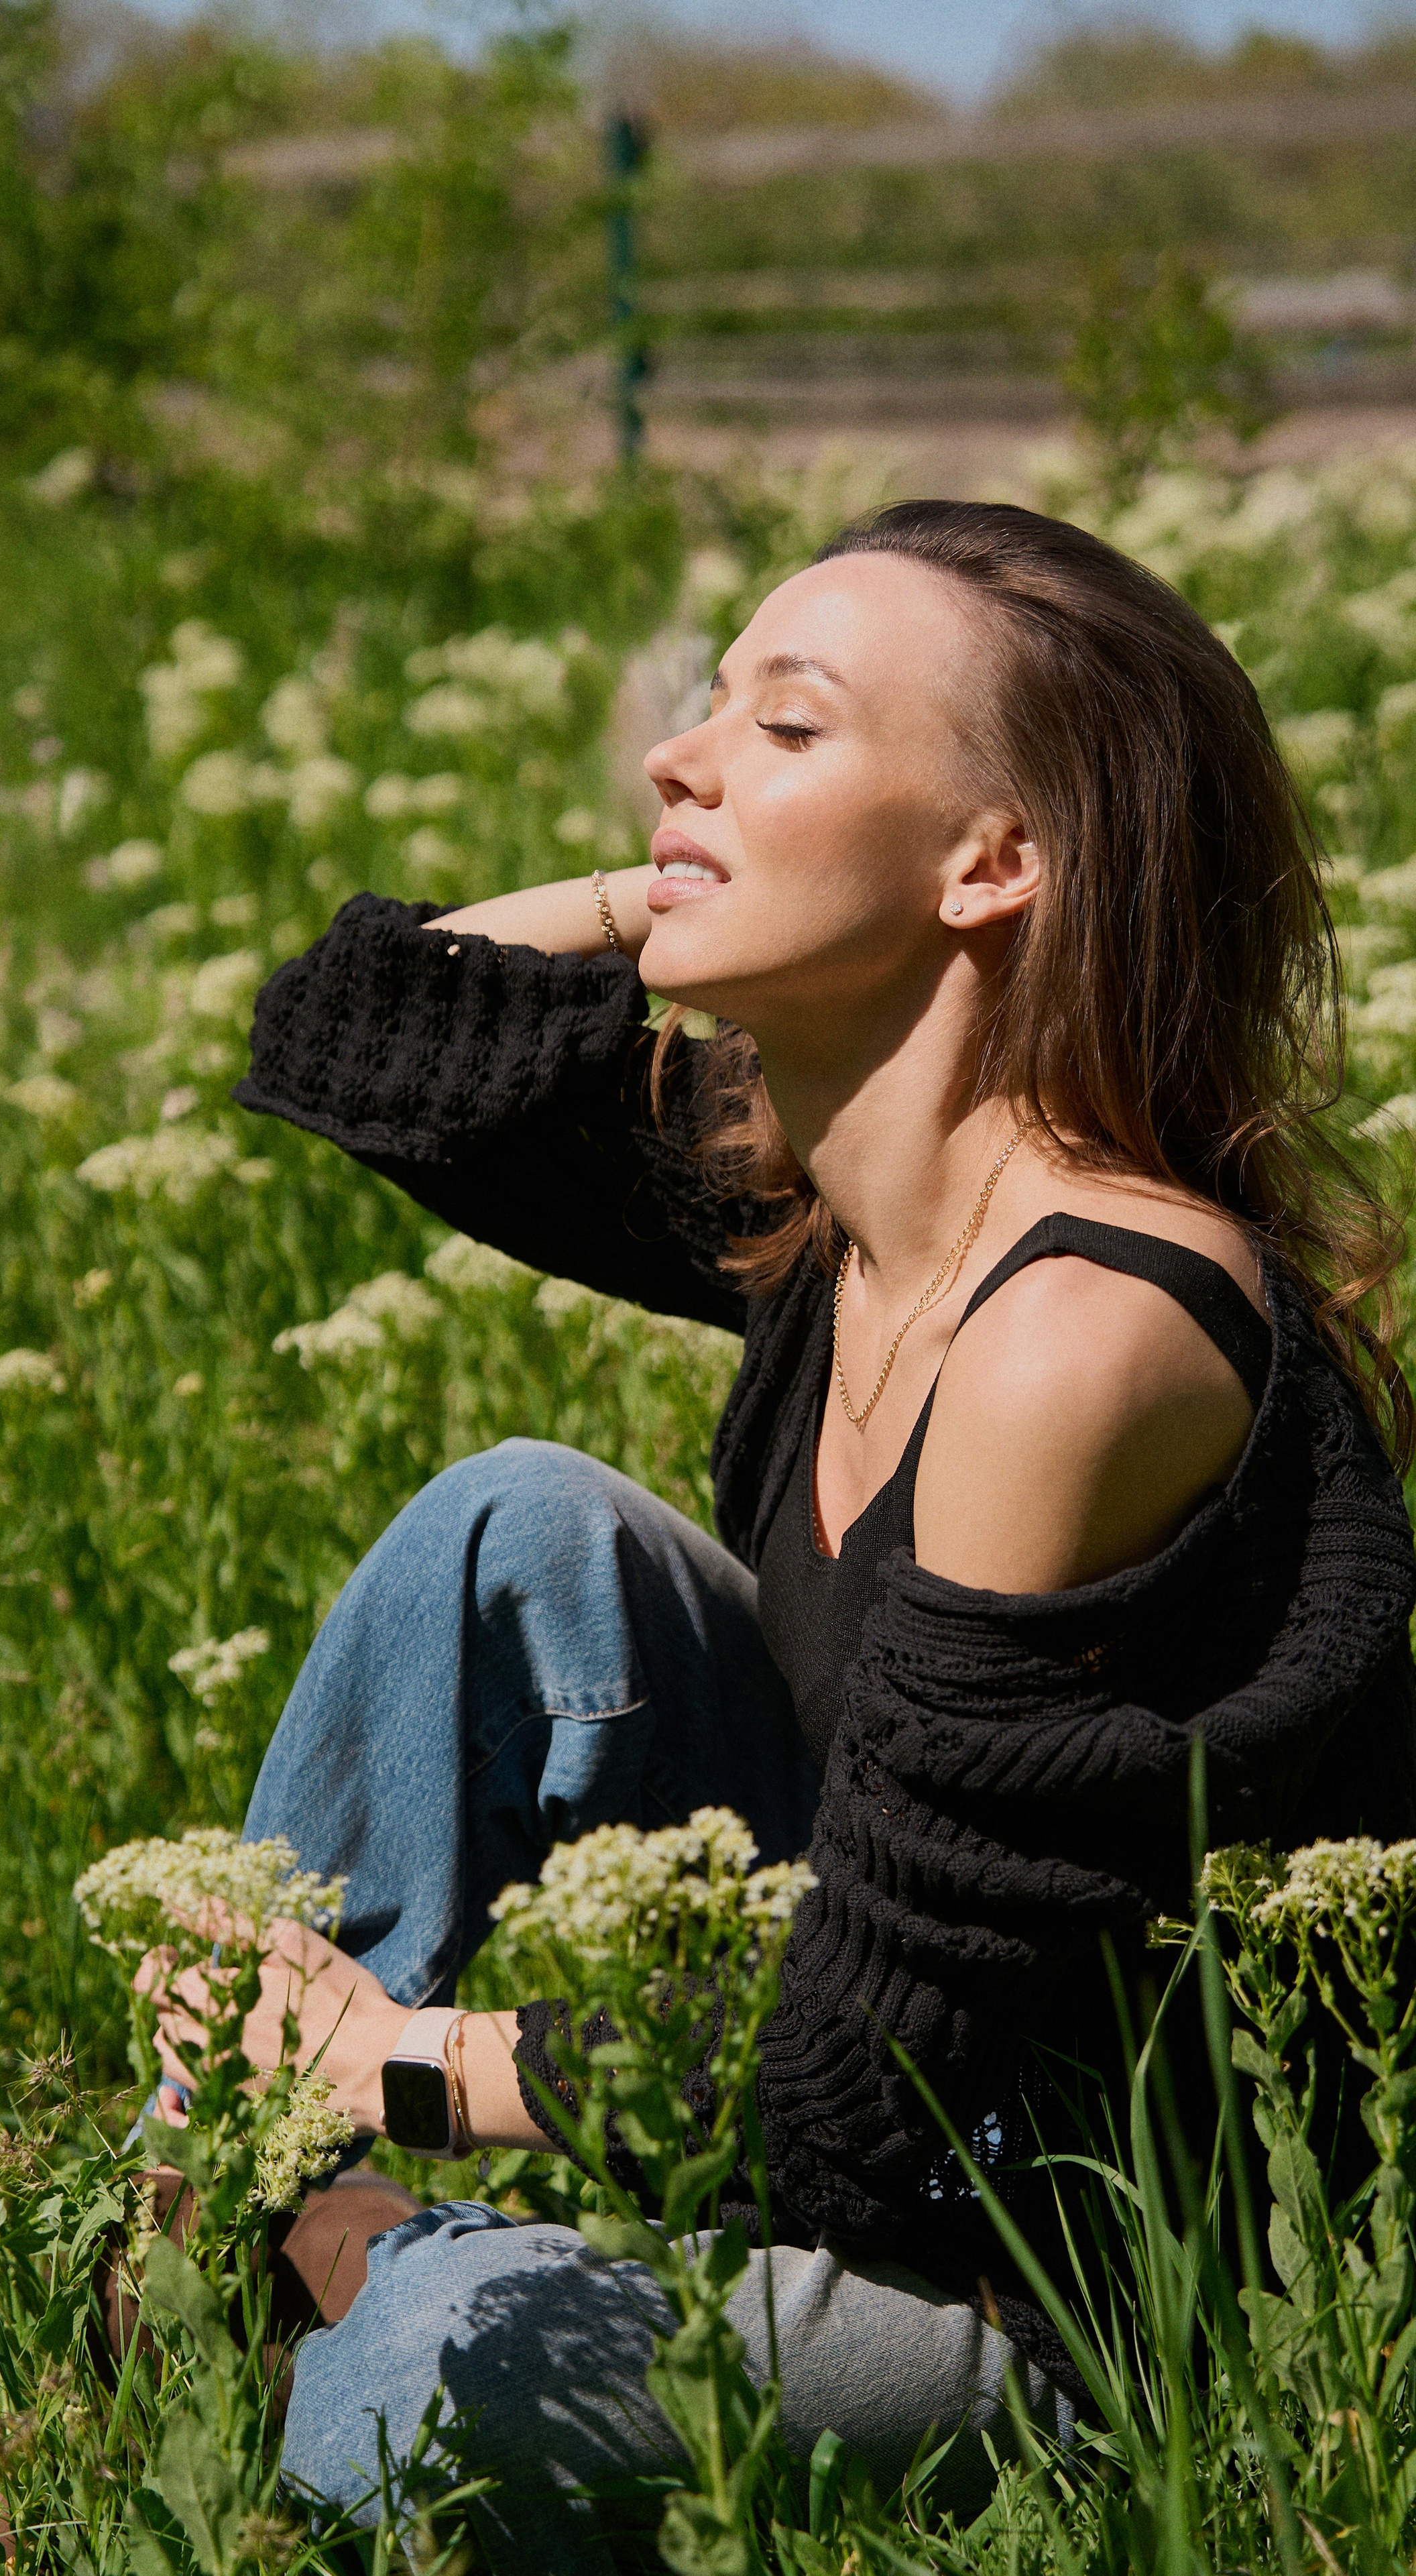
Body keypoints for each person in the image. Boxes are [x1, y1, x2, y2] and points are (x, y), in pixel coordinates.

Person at [143, 501, 1416, 2569]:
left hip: (1059, 2267)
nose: (682, 752)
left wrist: (406, 2072)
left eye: (789, 724)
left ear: (992, 863)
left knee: (448, 2367)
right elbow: (362, 1035)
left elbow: (849, 2083)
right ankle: (273, 2179)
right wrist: (678, 865)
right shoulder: (834, 1199)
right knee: (515, 1527)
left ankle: (322, 2216)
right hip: (874, 2081)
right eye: (705, 704)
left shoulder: (1078, 1337)